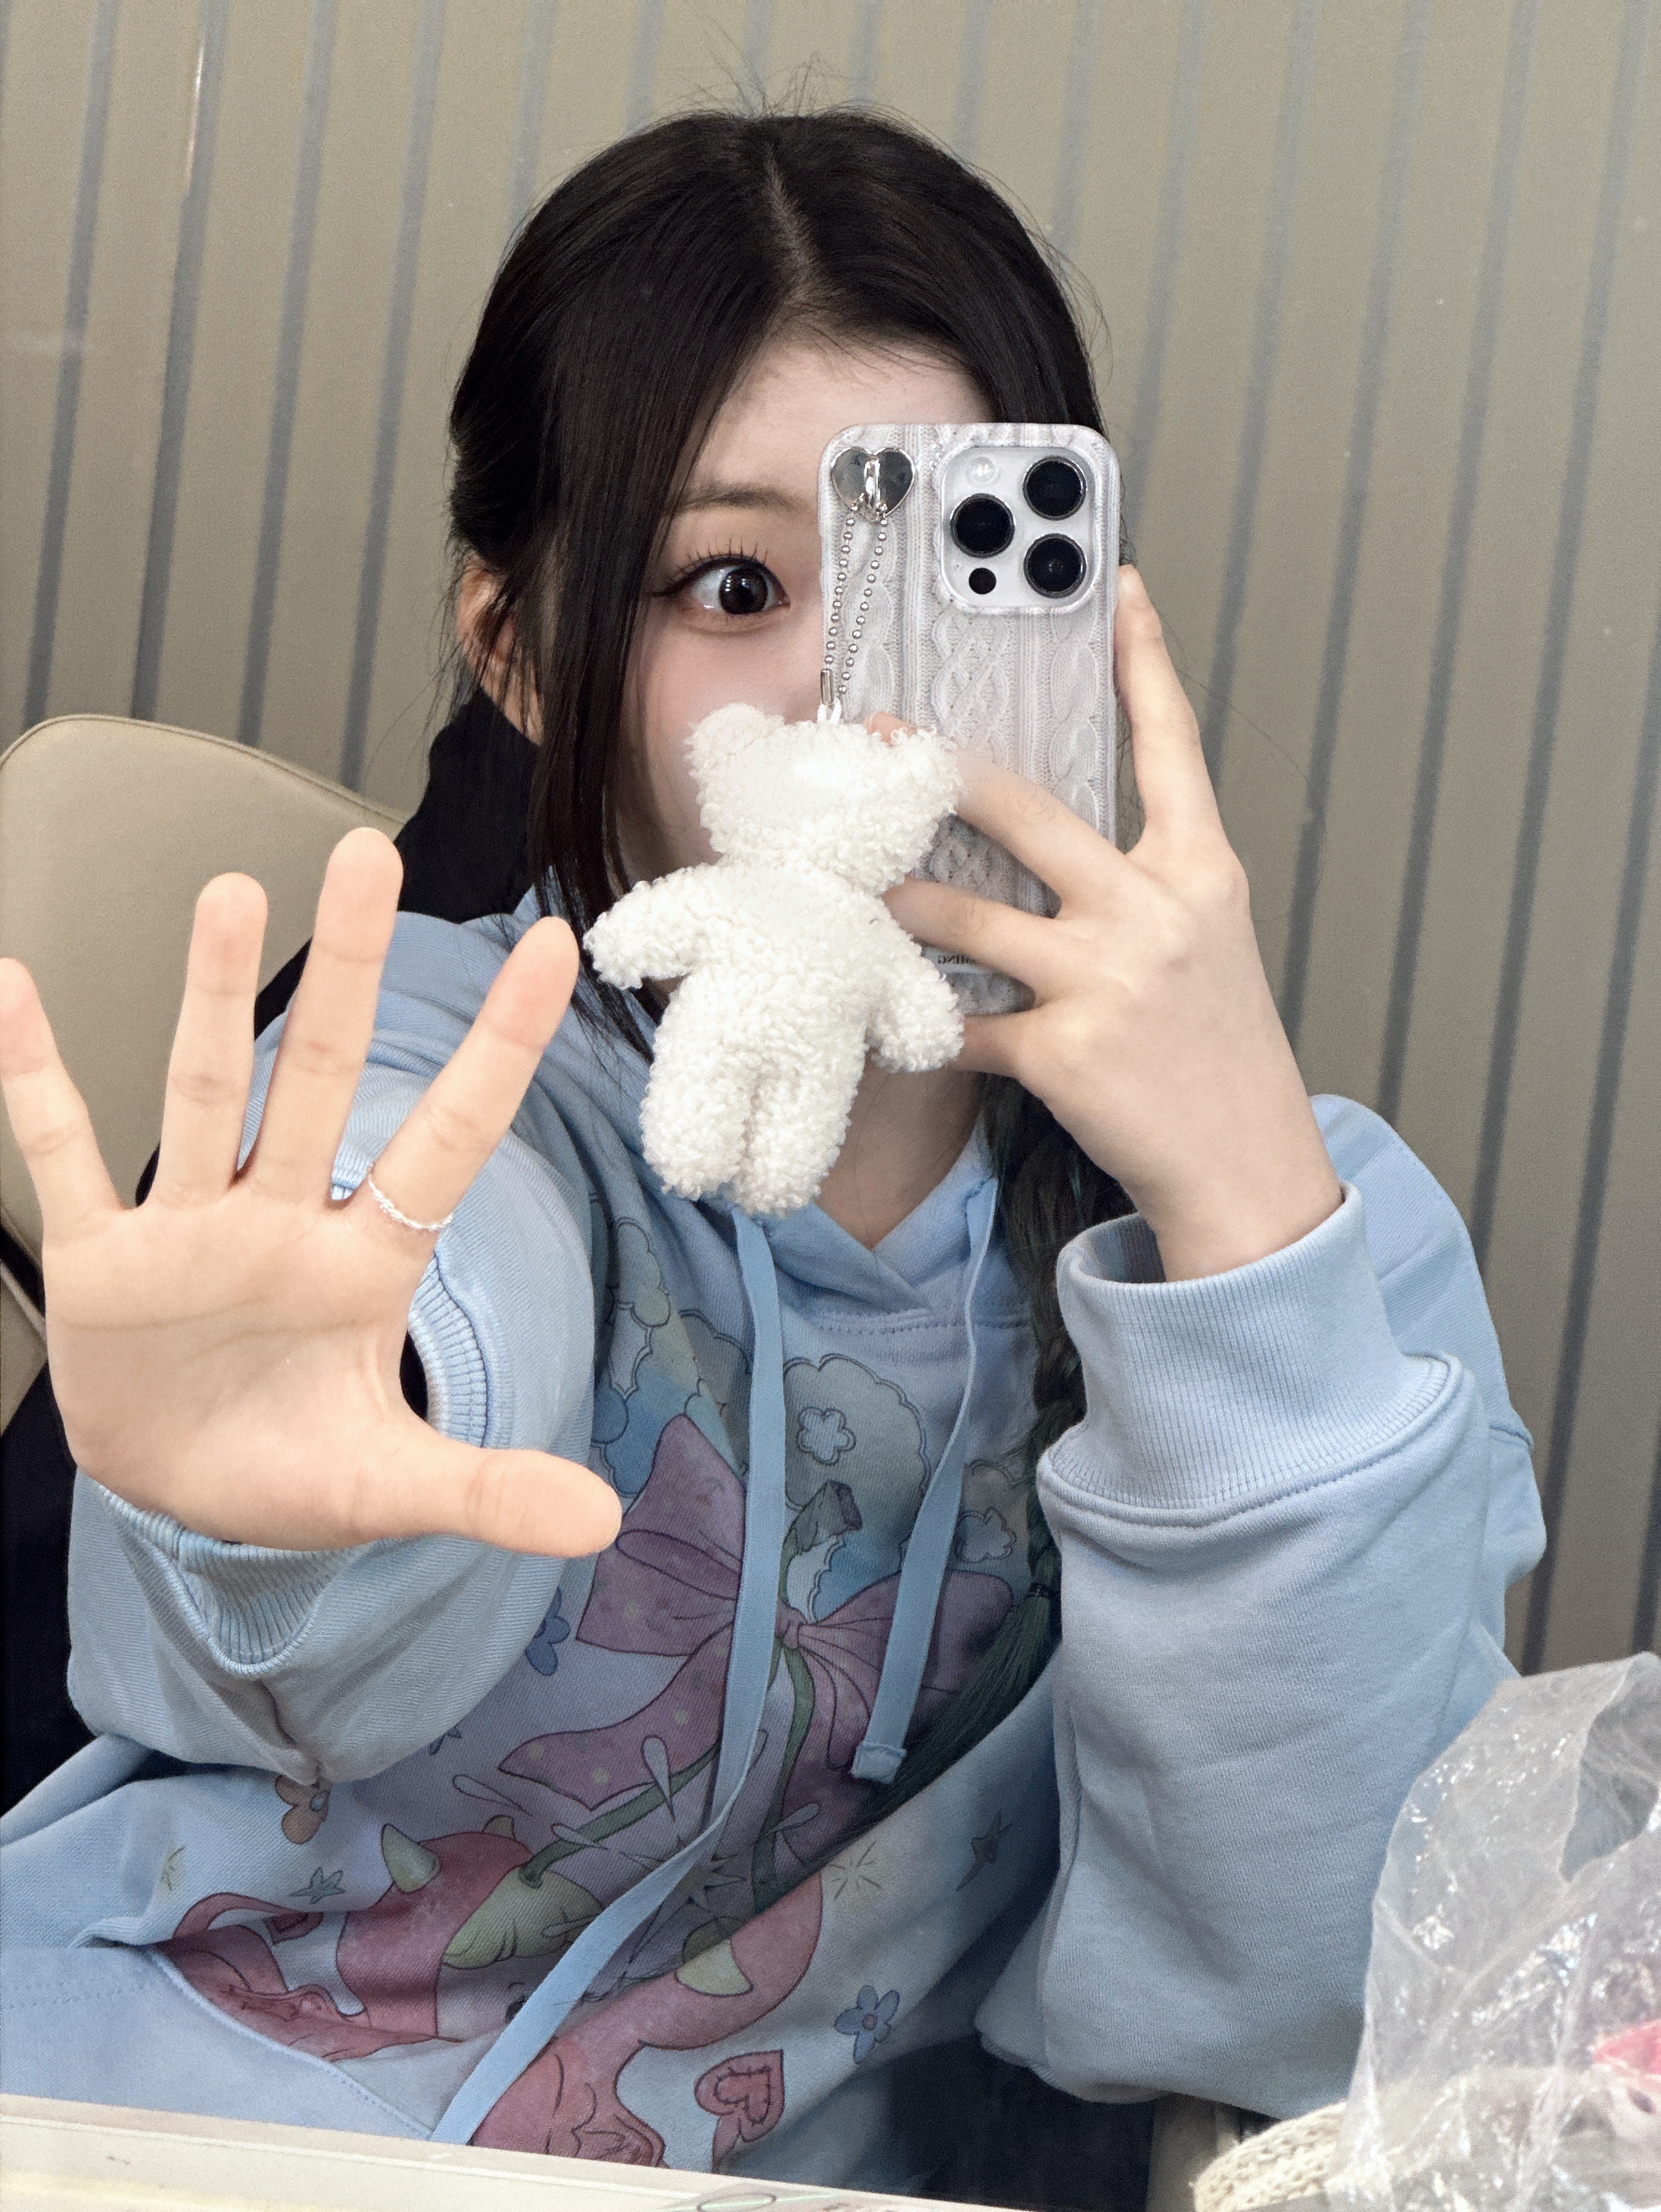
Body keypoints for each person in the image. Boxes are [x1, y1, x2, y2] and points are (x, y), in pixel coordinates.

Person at [0, 109, 1542, 2197]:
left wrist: (1248, 1236)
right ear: (519, 652)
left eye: (943, 577)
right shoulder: (459, 1067)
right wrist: (290, 1473)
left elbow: (1300, 2008)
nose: (843, 687)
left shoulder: (1314, 1235)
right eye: (733, 584)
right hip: (139, 2122)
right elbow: (424, 1309)